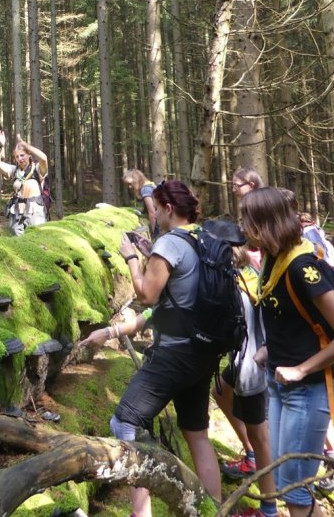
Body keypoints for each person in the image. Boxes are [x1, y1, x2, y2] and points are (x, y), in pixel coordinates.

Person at [241, 187, 334, 517]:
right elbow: (289, 317)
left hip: (309, 390)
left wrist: (302, 369)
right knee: (289, 483)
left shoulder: (302, 267)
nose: (242, 227)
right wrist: (268, 349)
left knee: (296, 492)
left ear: (265, 224)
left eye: (246, 220)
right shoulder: (274, 259)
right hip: (281, 385)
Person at [111, 180, 221, 517]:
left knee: (125, 423)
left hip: (175, 353)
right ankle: (213, 509)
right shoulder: (204, 238)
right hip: (204, 350)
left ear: (169, 209)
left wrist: (131, 257)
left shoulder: (170, 243)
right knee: (196, 433)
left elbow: (147, 295)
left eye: (157, 209)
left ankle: (140, 513)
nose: (154, 215)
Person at [210, 241, 278, 517]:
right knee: (221, 391)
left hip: (251, 365)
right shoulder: (248, 272)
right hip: (249, 358)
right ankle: (250, 455)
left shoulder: (232, 284)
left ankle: (269, 508)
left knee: (260, 436)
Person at [0, 130, 48, 236]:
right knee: (19, 245)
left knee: (37, 242)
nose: (20, 158)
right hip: (17, 213)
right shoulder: (14, 170)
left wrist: (25, 145)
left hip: (35, 212)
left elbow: (44, 158)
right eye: (17, 156)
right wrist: (0, 146)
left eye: (22, 155)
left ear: (29, 155)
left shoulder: (37, 169)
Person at [123, 169, 159, 239]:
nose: (129, 187)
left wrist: (155, 235)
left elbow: (152, 212)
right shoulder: (150, 185)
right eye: (127, 185)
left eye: (130, 183)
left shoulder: (145, 189)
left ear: (136, 180)